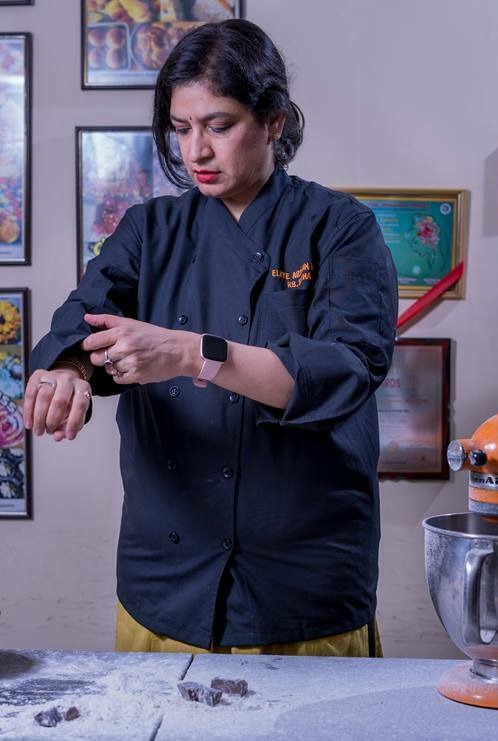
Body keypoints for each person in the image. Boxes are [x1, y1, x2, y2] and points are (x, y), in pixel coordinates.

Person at [25, 19, 397, 657]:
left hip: (302, 585)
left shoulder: (340, 228)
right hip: (166, 581)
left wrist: (188, 352)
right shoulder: (148, 230)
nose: (195, 151)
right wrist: (69, 374)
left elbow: (345, 370)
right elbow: (83, 319)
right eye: (180, 128)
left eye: (218, 126)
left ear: (274, 120)